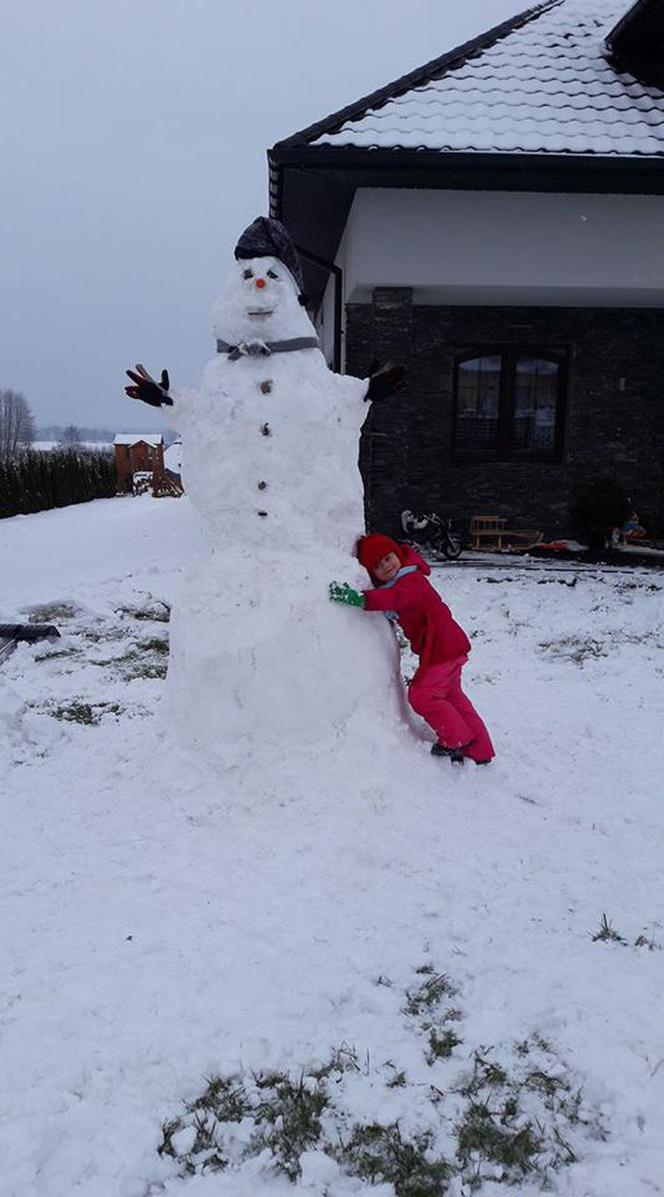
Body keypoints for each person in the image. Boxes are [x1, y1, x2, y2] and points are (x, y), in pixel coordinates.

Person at [329, 534, 494, 765]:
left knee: (421, 694)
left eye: (388, 558)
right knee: (452, 696)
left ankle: (456, 739)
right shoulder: (404, 579)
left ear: (397, 554)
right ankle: (480, 750)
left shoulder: (411, 580)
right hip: (448, 646)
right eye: (378, 565)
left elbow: (393, 597)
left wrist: (360, 599)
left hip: (441, 649)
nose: (386, 566)